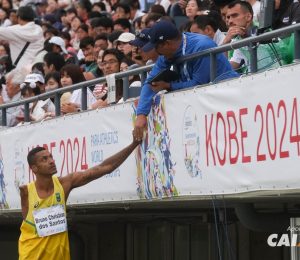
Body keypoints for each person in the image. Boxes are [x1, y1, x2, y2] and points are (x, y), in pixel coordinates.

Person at [18, 135, 140, 259]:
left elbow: (104, 168)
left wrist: (134, 144)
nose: (51, 161)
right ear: (34, 168)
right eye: (44, 159)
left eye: (51, 157)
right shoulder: (26, 192)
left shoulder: (64, 184)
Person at [133, 20, 238, 141]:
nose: (156, 52)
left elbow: (199, 84)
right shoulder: (167, 53)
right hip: (206, 108)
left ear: (167, 44)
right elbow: (150, 83)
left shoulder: (201, 45)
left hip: (228, 99)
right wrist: (141, 115)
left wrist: (168, 86)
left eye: (156, 47)